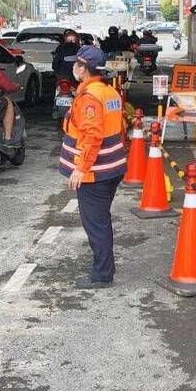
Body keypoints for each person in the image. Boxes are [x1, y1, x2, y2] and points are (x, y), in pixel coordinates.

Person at [58, 45, 127, 288]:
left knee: (96, 223)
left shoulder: (90, 97)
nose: (73, 68)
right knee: (101, 219)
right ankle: (104, 267)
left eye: (76, 64)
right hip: (113, 167)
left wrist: (81, 168)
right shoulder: (109, 92)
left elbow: (92, 135)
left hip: (95, 173)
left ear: (84, 69)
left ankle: (102, 275)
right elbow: (120, 128)